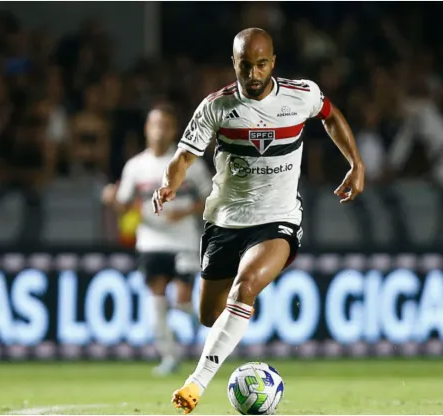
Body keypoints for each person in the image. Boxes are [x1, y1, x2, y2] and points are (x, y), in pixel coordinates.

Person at [151, 28, 365, 413]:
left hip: (278, 218)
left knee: (245, 287)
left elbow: (330, 116)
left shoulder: (301, 95)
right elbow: (183, 157)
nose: (253, 73)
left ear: (273, 62)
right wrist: (168, 185)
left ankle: (195, 384)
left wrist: (356, 163)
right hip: (225, 221)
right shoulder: (216, 107)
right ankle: (243, 307)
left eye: (261, 64)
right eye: (245, 65)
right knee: (209, 316)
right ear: (233, 63)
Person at [101, 104, 212, 375]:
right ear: (146, 129)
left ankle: (207, 323)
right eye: (154, 125)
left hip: (184, 238)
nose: (159, 130)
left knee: (183, 301)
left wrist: (187, 210)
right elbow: (125, 204)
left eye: (164, 125)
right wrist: (112, 200)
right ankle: (170, 356)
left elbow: (212, 195)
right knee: (157, 300)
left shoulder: (188, 161)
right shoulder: (135, 166)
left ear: (173, 129)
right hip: (150, 239)